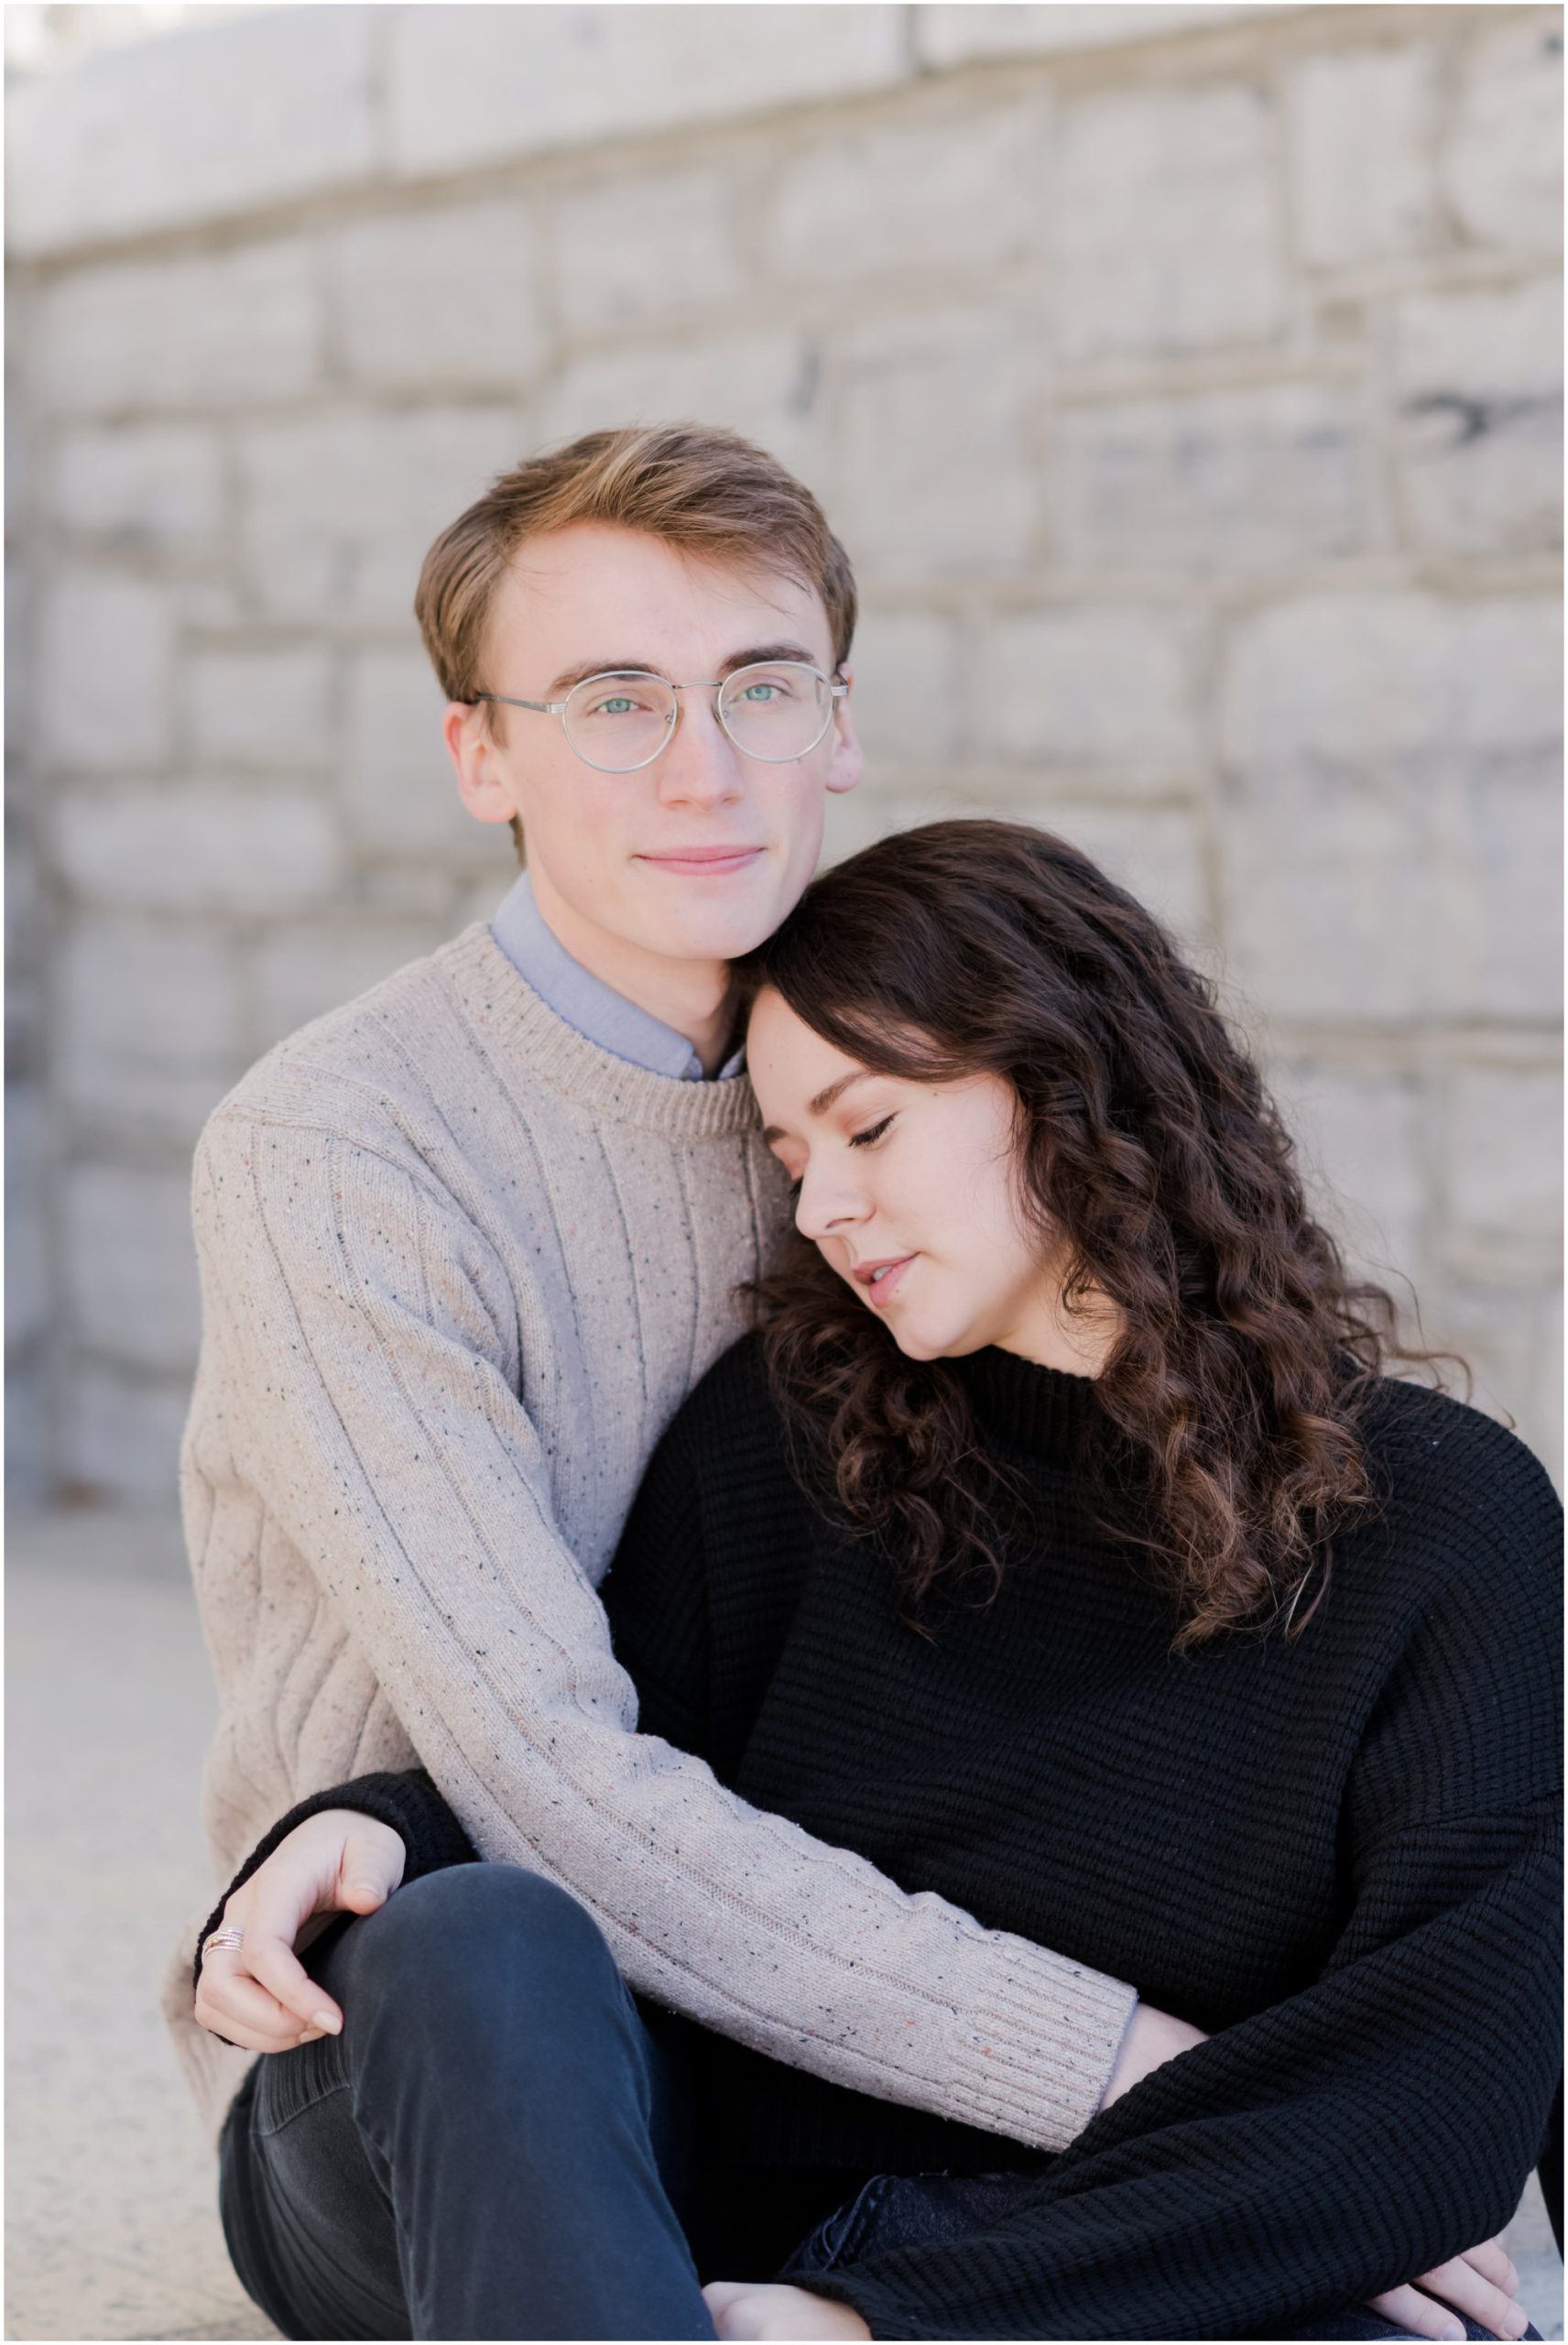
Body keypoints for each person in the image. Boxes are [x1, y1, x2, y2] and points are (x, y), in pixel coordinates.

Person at [195, 823, 1560, 2341]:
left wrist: (872, 2322)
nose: (824, 1207)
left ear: (1070, 1084)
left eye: (871, 1128)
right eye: (789, 1157)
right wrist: (368, 1825)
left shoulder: (1442, 1523)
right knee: (475, 1939)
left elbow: (1439, 2083)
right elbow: (600, 1777)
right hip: (623, 2189)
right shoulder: (783, 1438)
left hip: (1056, 2248)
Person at [172, 425, 1211, 2329]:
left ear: (841, 723)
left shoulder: (911, 1089)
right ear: (481, 751)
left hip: (842, 2026)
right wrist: (1147, 2073)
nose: (704, 766)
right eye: (614, 699)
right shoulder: (342, 1147)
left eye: (757, 685)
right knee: (491, 1935)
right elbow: (547, 1781)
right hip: (424, 2054)